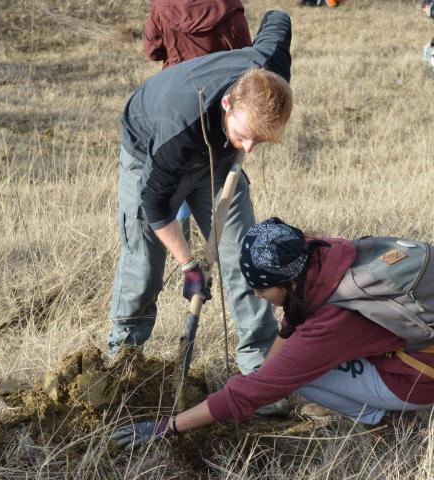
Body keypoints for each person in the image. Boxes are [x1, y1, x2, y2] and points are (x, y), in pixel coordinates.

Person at [112, 218, 434, 450]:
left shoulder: (333, 320)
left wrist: (168, 427)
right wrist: (264, 374)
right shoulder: (320, 254)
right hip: (410, 341)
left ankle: (384, 419)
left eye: (260, 288)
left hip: (418, 376)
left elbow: (250, 394)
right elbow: (294, 322)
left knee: (304, 378)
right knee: (286, 368)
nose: (255, 295)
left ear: (288, 283)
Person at [109, 11, 293, 384]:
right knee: (144, 262)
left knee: (245, 254)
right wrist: (189, 264)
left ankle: (259, 367)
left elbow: (278, 19)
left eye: (261, 139)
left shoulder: (269, 70)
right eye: (247, 136)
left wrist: (239, 140)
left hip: (217, 158)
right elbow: (155, 205)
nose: (252, 148)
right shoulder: (178, 127)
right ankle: (123, 365)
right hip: (151, 152)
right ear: (228, 104)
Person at [144, 0, 253, 242]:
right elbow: (248, 59)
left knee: (174, 173)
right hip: (219, 110)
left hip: (174, 104)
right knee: (221, 173)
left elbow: (152, 50)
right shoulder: (231, 9)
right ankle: (222, 243)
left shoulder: (162, 6)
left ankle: (180, 244)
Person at [144, 0, 252, 70]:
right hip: (223, 91)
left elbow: (152, 52)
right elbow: (247, 57)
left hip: (177, 86)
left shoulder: (161, 6)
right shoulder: (230, 6)